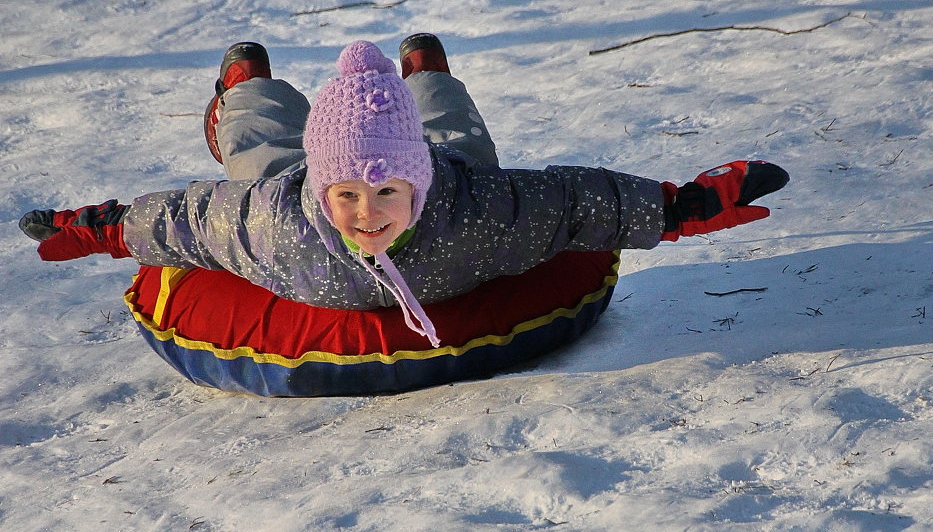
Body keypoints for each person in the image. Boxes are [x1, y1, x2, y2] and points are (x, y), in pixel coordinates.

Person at [19, 35, 789, 347]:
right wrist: (103, 227)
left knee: (464, 144)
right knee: (256, 158)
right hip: (296, 173)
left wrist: (681, 206)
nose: (365, 213)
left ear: (415, 187)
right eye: (348, 196)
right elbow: (191, 221)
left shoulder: (474, 213)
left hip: (441, 166)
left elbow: (570, 202)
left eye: (385, 193)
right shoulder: (282, 223)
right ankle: (246, 87)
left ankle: (425, 76)